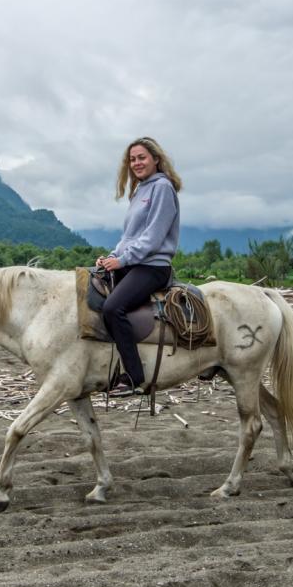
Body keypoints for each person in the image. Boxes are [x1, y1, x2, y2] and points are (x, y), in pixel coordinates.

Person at [96, 136, 182, 396]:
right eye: (132, 159)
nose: (136, 163)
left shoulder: (162, 188)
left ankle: (134, 376)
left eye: (142, 157)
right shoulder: (139, 191)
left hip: (153, 266)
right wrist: (110, 257)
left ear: (156, 159)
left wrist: (122, 261)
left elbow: (153, 237)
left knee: (113, 308)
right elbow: (129, 237)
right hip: (135, 262)